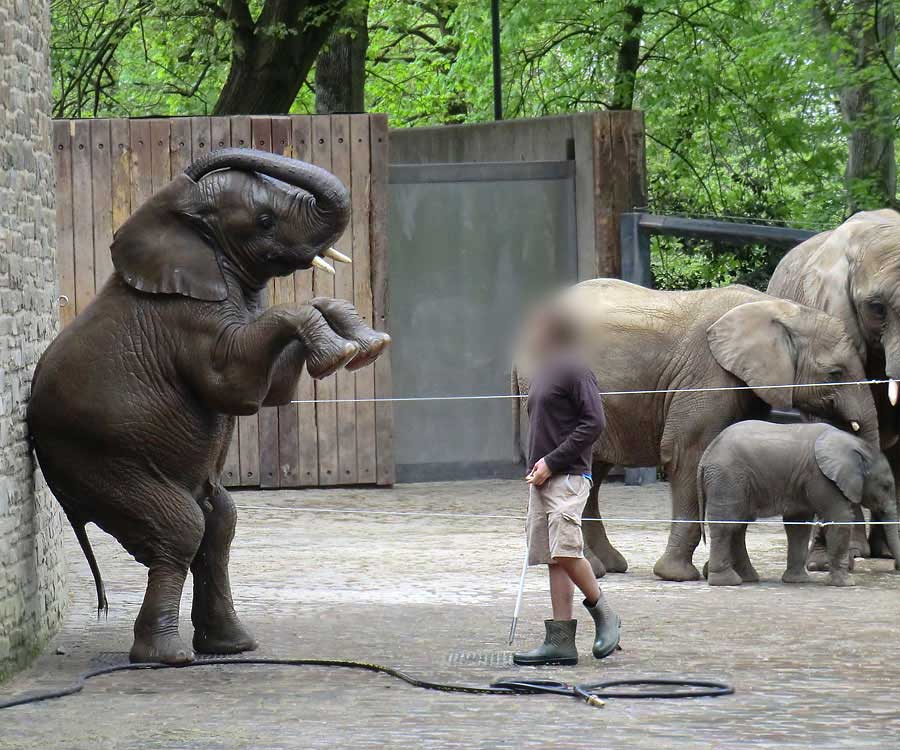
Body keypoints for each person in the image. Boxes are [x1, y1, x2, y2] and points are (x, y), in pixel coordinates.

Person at [513, 308, 621, 666]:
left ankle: (605, 613)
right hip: (543, 479)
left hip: (568, 476)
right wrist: (538, 468)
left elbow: (594, 423)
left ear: (552, 332)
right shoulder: (544, 371)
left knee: (567, 552)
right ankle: (560, 640)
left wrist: (552, 462)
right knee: (552, 557)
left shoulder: (576, 369)